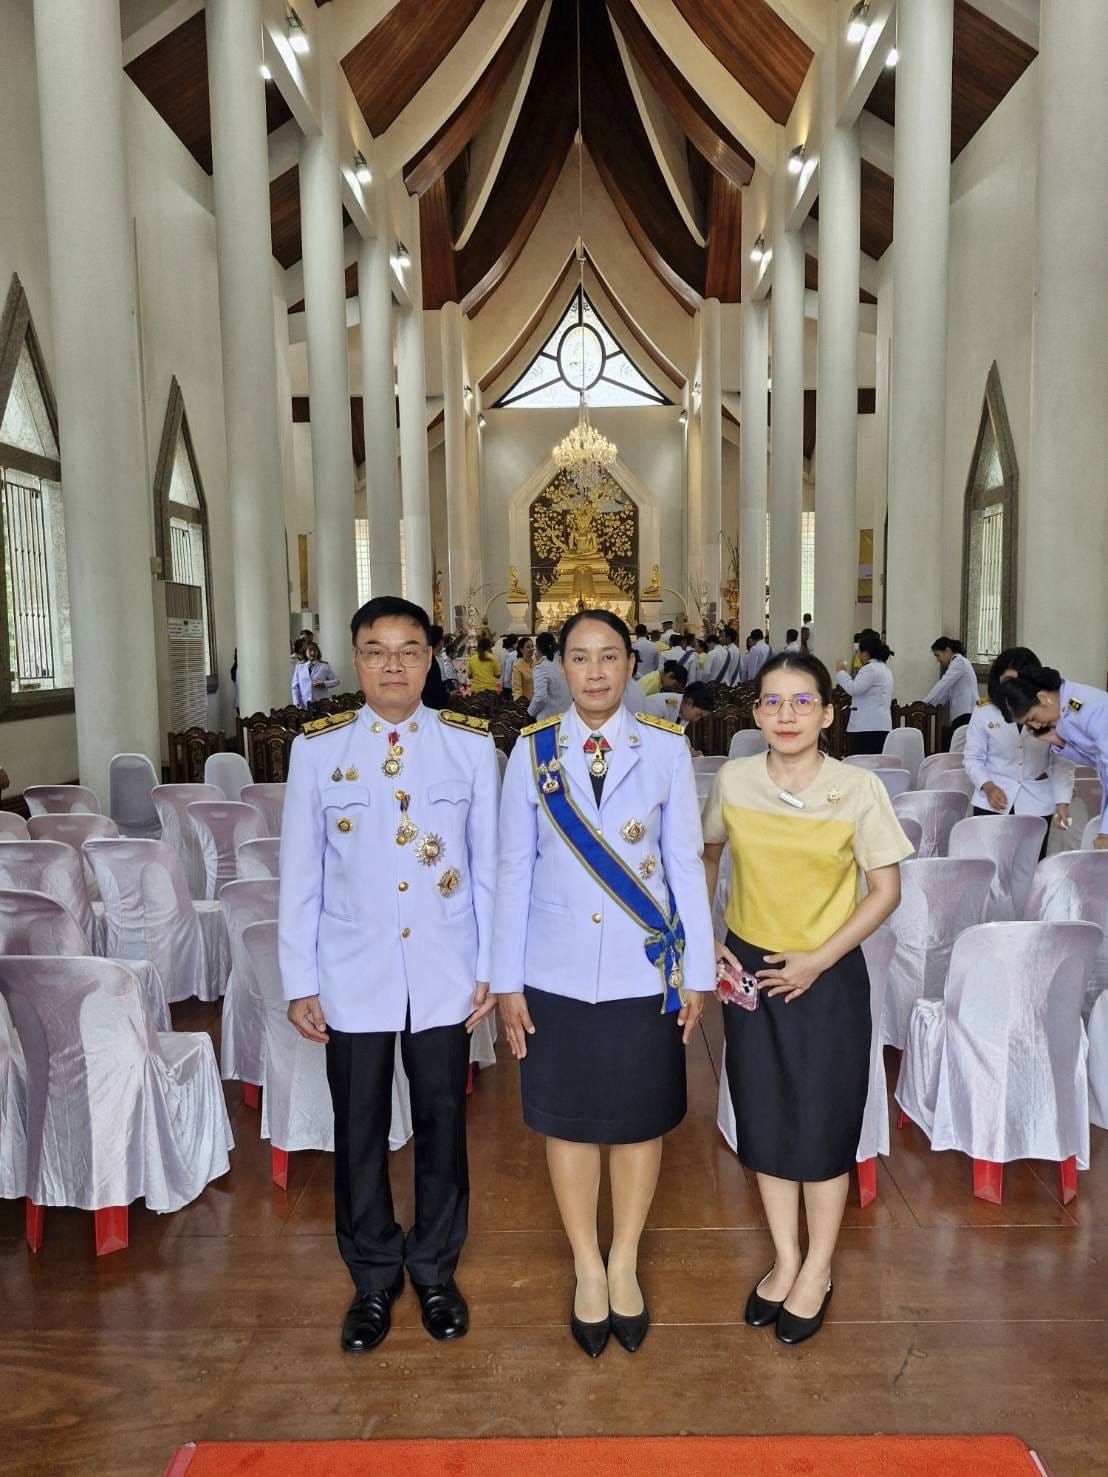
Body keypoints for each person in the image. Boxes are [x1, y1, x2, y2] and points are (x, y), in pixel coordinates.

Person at [278, 595, 499, 1354]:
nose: (394, 663)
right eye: (376, 649)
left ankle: (435, 1266)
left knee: (443, 1125)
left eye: (409, 649)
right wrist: (299, 979)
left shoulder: (469, 747)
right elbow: (300, 876)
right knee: (360, 1128)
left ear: (432, 656)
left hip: (443, 973)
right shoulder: (319, 750)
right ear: (356, 658)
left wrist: (493, 969)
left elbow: (491, 868)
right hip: (353, 973)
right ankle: (373, 1275)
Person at [492, 610, 714, 1359]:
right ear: (558, 666)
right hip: (552, 968)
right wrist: (506, 980)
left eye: (609, 657)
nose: (594, 671)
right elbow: (510, 869)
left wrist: (698, 976)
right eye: (579, 657)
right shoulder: (531, 752)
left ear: (630, 664)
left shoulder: (664, 749)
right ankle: (587, 1264)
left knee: (638, 1119)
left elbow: (685, 864)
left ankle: (626, 1259)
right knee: (569, 1121)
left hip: (641, 969)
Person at [701, 653, 911, 1345]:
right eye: (771, 702)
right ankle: (785, 1256)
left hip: (827, 976)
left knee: (821, 1123)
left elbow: (886, 890)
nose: (785, 714)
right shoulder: (733, 780)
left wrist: (820, 959)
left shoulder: (856, 788)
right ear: (755, 712)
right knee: (763, 1117)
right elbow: (703, 855)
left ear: (827, 712)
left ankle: (818, 1265)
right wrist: (711, 934)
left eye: (801, 701)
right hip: (752, 973)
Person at [964, 648, 1073, 860]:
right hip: (992, 800)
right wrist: (988, 785)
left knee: (1031, 866)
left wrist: (1063, 800)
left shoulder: (1049, 711)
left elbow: (1061, 761)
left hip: (1036, 801)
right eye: (1007, 683)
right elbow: (973, 758)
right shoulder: (984, 711)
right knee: (992, 869)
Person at [997, 665, 1108, 848]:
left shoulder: (1093, 710)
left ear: (1042, 698)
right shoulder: (1066, 710)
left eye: (1032, 718)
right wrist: (1058, 741)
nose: (1036, 726)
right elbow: (1097, 760)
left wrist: (1105, 832)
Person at [834, 632, 895, 755]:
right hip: (880, 725)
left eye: (859, 652)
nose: (858, 655)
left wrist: (841, 672)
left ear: (866, 653)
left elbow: (854, 689)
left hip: (867, 727)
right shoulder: (884, 669)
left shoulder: (870, 669)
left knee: (863, 765)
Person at [925, 637, 979, 750]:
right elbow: (947, 693)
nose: (937, 660)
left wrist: (925, 703)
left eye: (937, 655)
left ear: (947, 650)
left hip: (966, 712)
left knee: (958, 748)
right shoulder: (957, 663)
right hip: (963, 712)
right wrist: (932, 705)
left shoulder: (958, 662)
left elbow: (943, 684)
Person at [528, 631, 572, 721]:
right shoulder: (563, 663)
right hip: (567, 715)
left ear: (538, 649)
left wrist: (530, 712)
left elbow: (540, 697)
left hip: (548, 720)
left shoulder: (541, 668)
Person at [291, 641, 340, 708]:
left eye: (315, 650)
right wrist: (296, 702)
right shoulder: (299, 667)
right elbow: (295, 687)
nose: (313, 653)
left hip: (321, 703)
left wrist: (324, 684)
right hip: (304, 704)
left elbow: (336, 681)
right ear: (305, 652)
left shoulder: (324, 666)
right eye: (310, 650)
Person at [512, 636, 535, 703]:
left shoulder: (536, 663)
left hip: (538, 703)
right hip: (526, 704)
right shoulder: (517, 666)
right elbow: (517, 689)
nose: (531, 649)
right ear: (521, 650)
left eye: (532, 646)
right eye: (528, 647)